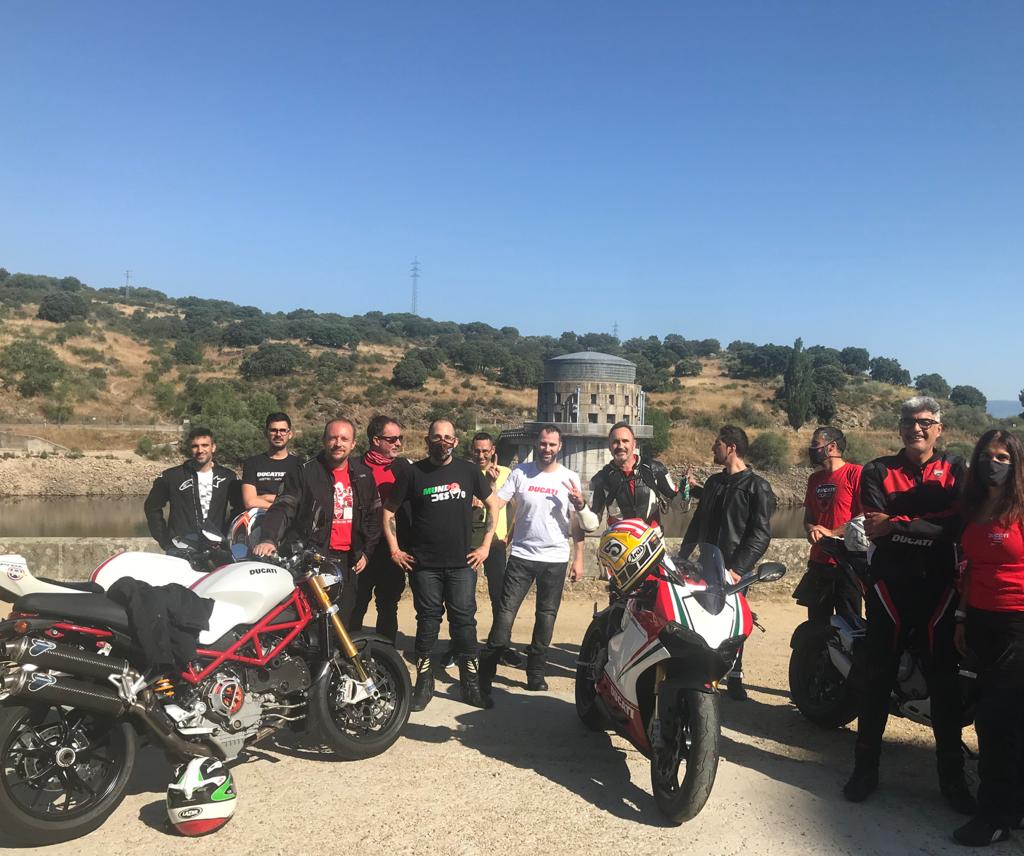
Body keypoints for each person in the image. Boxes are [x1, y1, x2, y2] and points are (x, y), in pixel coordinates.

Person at [843, 396, 972, 813]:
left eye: (925, 422)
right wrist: (933, 525)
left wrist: (901, 525)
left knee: (945, 686)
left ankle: (952, 781)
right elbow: (874, 527)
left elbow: (959, 525)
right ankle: (865, 770)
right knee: (876, 680)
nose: (916, 428)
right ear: (899, 428)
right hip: (890, 589)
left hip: (940, 589)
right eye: (908, 421)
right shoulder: (877, 470)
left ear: (939, 429)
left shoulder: (956, 467)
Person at [382, 419, 501, 712]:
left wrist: (486, 546)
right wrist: (394, 550)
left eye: (448, 437)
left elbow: (493, 504)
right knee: (427, 623)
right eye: (437, 437)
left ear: (456, 442)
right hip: (424, 565)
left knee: (465, 623)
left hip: (462, 563)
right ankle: (424, 683)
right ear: (427, 440)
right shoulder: (413, 473)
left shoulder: (469, 471)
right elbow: (388, 511)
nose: (442, 442)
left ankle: (470, 684)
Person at [478, 425, 598, 696]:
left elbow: (576, 524)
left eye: (552, 444)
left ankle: (535, 674)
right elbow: (496, 503)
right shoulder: (521, 472)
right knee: (505, 615)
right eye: (543, 443)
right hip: (521, 556)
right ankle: (486, 671)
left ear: (560, 446)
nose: (547, 449)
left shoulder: (569, 478)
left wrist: (578, 559)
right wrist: (489, 484)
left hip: (555, 558)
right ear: (537, 444)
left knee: (546, 617)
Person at [950, 430, 1024, 846]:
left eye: (1002, 458)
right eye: (986, 456)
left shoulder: (1022, 508)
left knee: (996, 720)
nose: (992, 464)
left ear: (1015, 464)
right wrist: (962, 617)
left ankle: (993, 817)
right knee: (1004, 717)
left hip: (1018, 624)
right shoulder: (975, 507)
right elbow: (971, 568)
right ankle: (1014, 806)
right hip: (979, 620)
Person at [253, 418, 380, 627]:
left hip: (348, 562)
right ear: (324, 440)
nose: (338, 443)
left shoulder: (364, 475)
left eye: (344, 439)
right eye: (333, 438)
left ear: (353, 444)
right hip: (313, 560)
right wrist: (269, 538)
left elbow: (373, 516)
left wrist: (366, 552)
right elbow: (283, 507)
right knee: (310, 624)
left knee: (343, 623)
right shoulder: (304, 472)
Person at [681, 425, 776, 701]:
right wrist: (682, 558)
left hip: (734, 571)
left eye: (718, 444)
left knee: (734, 622)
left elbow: (760, 534)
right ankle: (703, 671)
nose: (713, 448)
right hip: (705, 565)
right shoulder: (714, 483)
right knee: (699, 618)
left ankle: (735, 675)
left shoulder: (757, 487)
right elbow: (697, 522)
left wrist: (738, 570)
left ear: (731, 448)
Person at [793, 426, 863, 625]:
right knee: (817, 624)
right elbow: (809, 516)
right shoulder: (814, 479)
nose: (811, 448)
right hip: (818, 562)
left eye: (815, 444)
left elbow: (864, 517)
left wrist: (832, 532)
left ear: (831, 447)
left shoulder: (855, 473)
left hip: (847, 563)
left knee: (849, 623)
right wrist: (812, 530)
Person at [350, 415, 411, 644]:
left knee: (388, 605)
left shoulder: (404, 468)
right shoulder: (353, 467)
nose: (398, 443)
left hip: (391, 548)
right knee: (355, 604)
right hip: (360, 548)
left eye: (399, 438)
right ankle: (350, 653)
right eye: (392, 439)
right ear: (376, 440)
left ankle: (386, 653)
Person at [144, 426, 237, 552]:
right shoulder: (171, 476)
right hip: (180, 547)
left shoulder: (228, 477)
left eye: (205, 445)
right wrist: (164, 539)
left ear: (213, 447)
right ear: (189, 448)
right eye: (195, 446)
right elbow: (152, 507)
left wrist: (227, 534)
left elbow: (239, 509)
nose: (200, 450)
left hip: (217, 548)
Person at [589, 422, 680, 527]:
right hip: (617, 536)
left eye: (625, 441)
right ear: (609, 446)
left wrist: (685, 492)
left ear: (634, 444)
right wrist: (581, 507)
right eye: (615, 442)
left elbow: (678, 505)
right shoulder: (602, 478)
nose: (620, 446)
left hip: (650, 536)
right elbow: (591, 525)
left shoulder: (654, 469)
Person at [240, 412, 302, 510]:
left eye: (283, 430)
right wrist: (282, 504)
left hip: (291, 518)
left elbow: (302, 501)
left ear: (290, 434)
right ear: (266, 433)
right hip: (259, 517)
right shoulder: (252, 463)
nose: (278, 434)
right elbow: (250, 502)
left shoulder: (301, 465)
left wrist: (265, 497)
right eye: (273, 430)